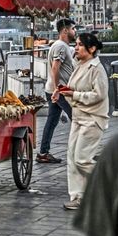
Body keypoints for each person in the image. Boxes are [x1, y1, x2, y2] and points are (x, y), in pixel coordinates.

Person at [57, 33, 109, 211]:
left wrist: (74, 95)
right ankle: (79, 197)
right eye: (76, 44)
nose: (76, 47)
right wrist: (63, 92)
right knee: (72, 158)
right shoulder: (80, 65)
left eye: (80, 45)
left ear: (92, 48)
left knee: (82, 159)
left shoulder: (97, 69)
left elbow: (99, 95)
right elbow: (74, 88)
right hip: (78, 118)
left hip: (92, 119)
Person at [37, 19, 76, 164]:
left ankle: (43, 153)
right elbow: (55, 68)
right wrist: (57, 90)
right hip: (59, 90)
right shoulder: (60, 46)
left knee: (52, 121)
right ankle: (79, 152)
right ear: (65, 30)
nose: (75, 31)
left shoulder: (63, 46)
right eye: (73, 28)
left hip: (55, 89)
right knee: (77, 118)